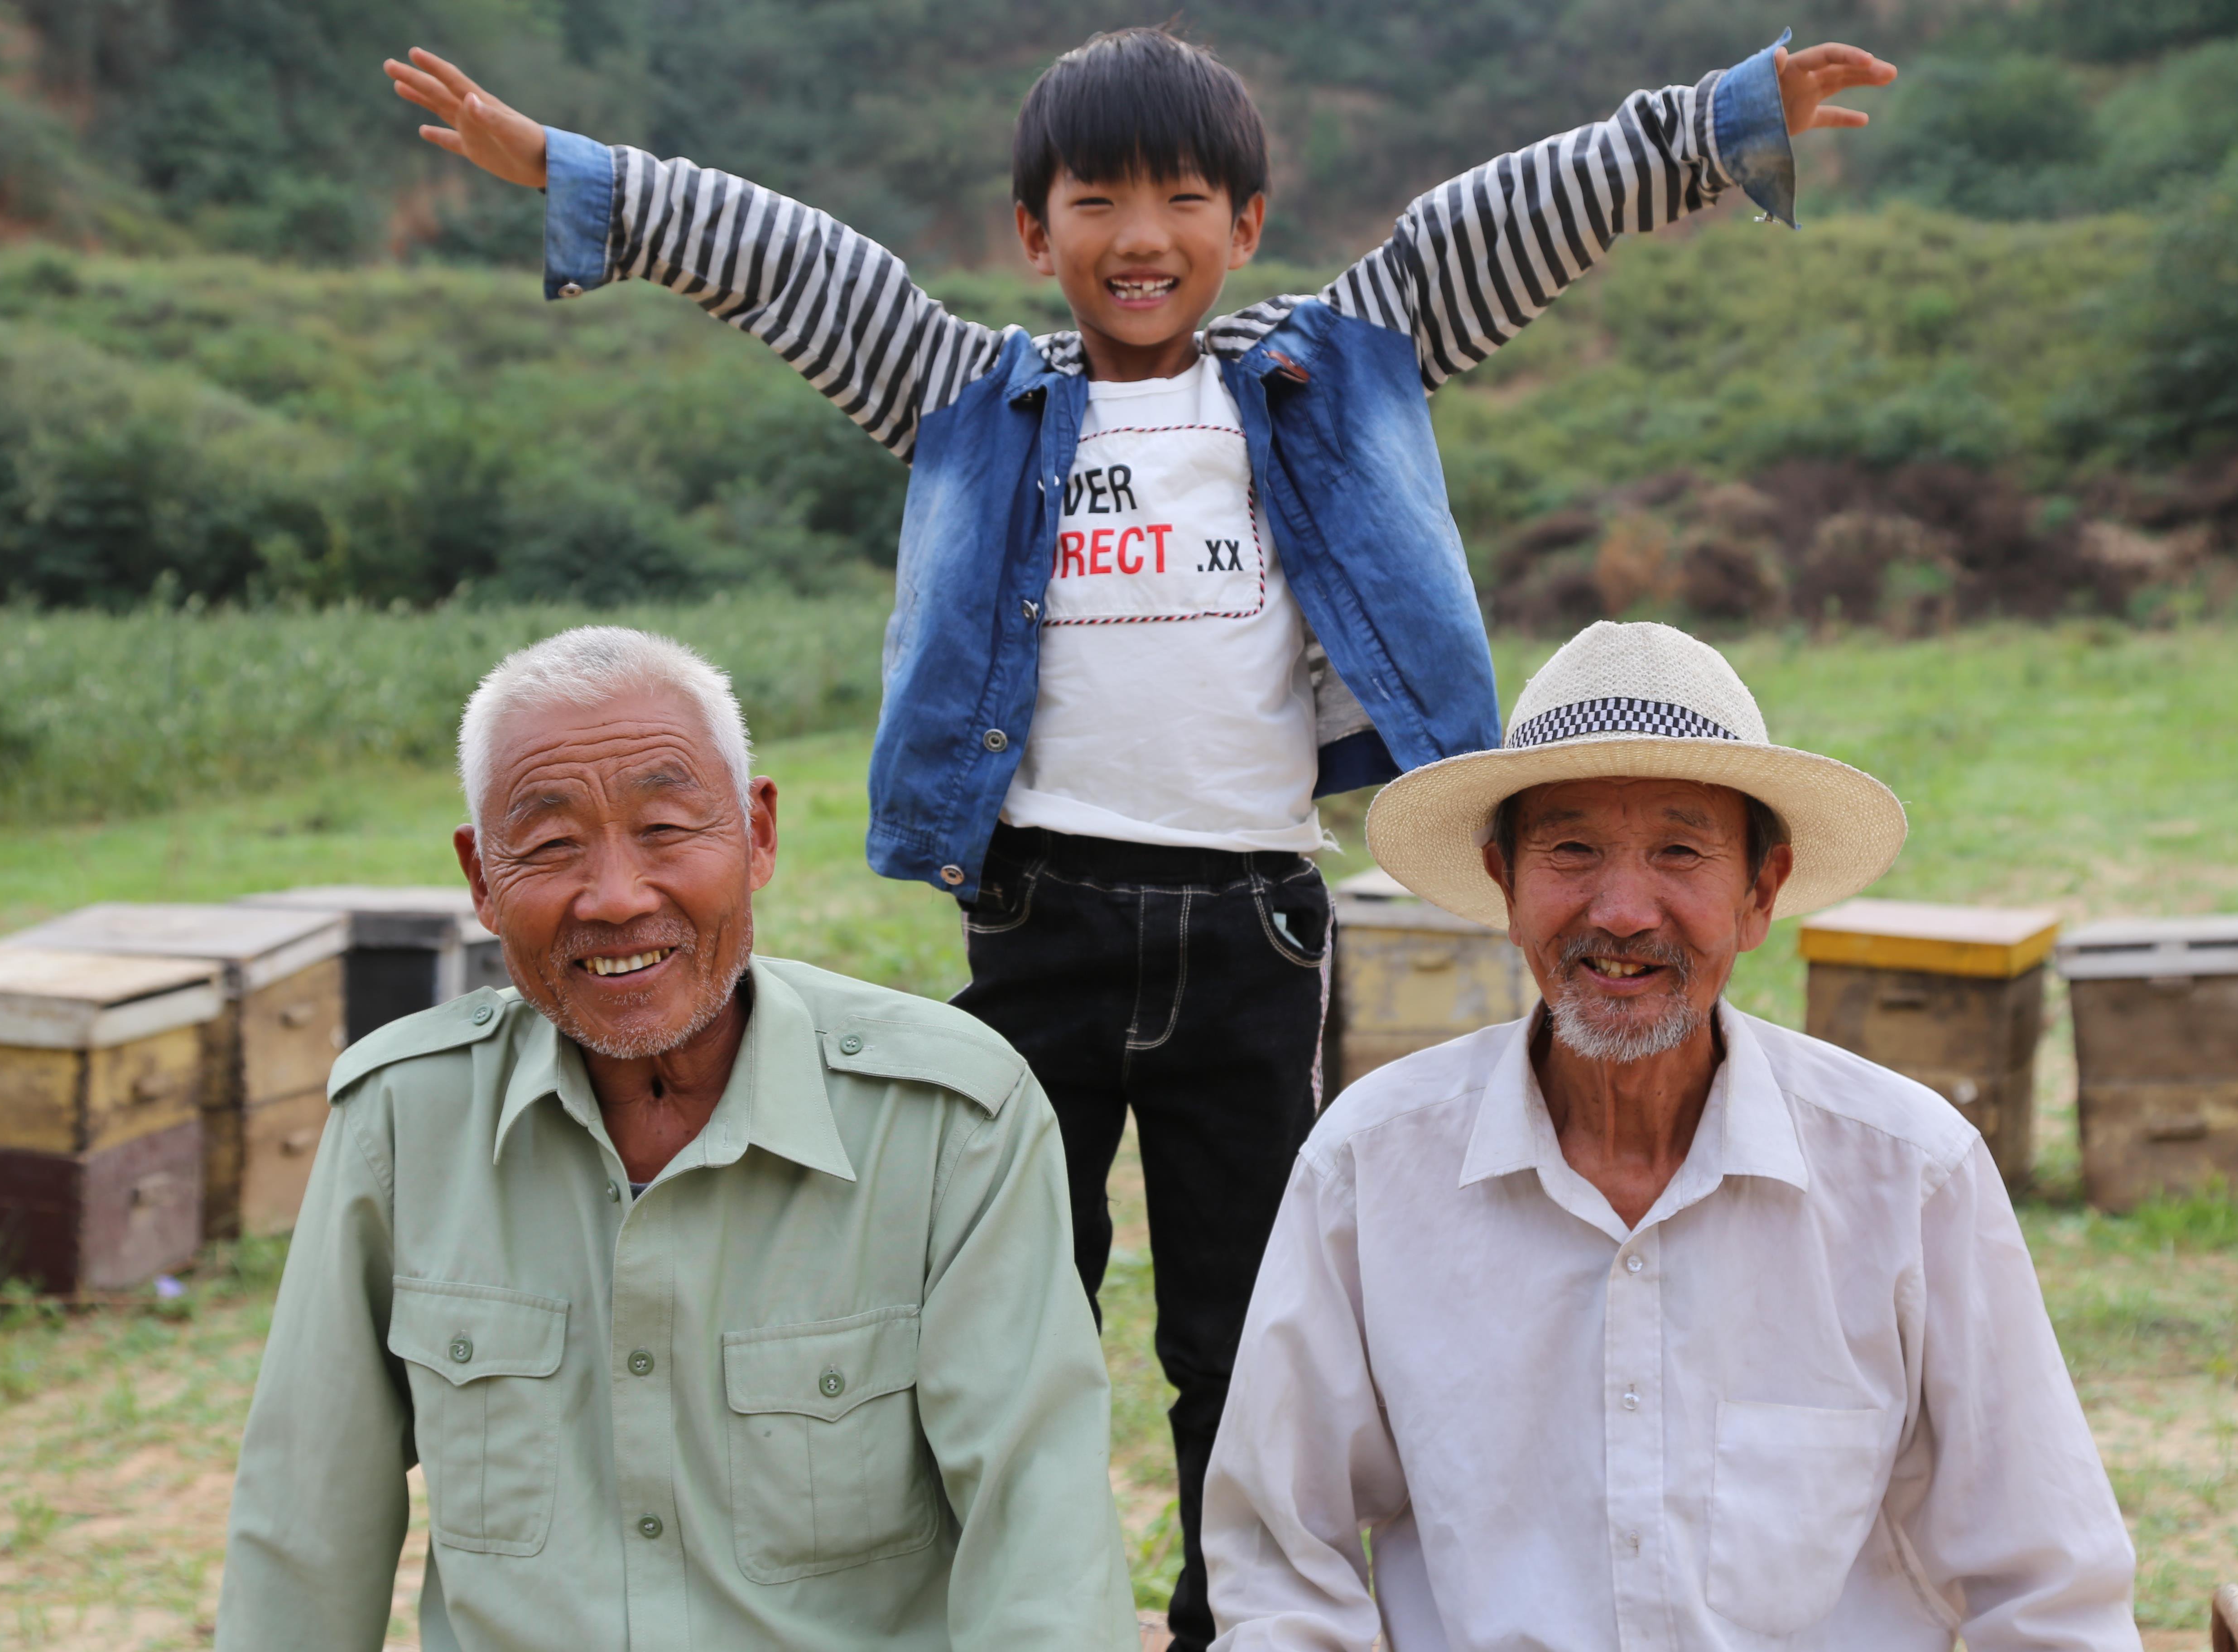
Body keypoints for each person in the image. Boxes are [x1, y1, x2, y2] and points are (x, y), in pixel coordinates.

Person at [379, 36, 1897, 1646]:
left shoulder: (1330, 367)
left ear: (1246, 221)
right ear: (1033, 235)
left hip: (1254, 922)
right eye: (1093, 199)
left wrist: (1712, 124)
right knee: (996, 1306)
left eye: (1182, 196)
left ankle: (1233, 1621)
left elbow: (1503, 216)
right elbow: (792, 263)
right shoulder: (968, 396)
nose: (1139, 233)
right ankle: (1010, 1613)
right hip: (1041, 916)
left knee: (1247, 1323)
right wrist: (575, 172)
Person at [1203, 620, 2142, 1652]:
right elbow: (1284, 1569)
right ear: (1505, 884)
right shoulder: (1371, 1168)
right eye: (1572, 849)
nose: (1622, 910)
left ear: (1760, 894)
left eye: (1681, 852)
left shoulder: (1910, 1175)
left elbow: (2051, 1589)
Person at [215, 627, 1135, 1651]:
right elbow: (305, 1527)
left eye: (663, 827)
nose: (615, 898)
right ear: (480, 878)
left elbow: (1038, 1536)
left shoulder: (948, 1120)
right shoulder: (402, 1118)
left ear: (759, 833)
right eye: (553, 844)